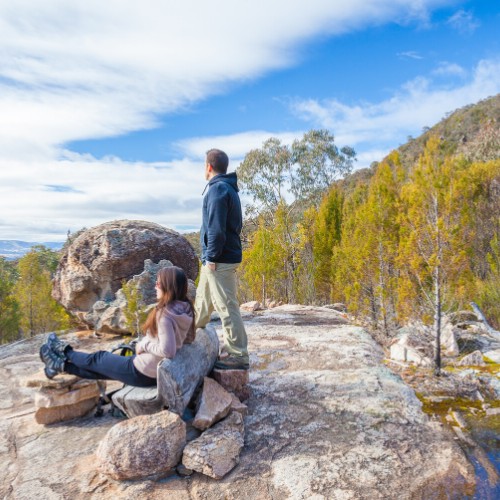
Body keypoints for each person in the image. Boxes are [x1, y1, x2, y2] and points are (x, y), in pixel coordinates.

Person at [39, 266, 195, 386]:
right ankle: (59, 365)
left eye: (158, 283)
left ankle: (62, 350)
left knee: (99, 358)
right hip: (152, 371)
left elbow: (168, 351)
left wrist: (143, 345)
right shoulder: (185, 308)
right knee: (101, 370)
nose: (155, 286)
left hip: (143, 372)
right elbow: (185, 339)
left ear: (168, 286)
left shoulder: (165, 314)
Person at [195, 148, 249, 370]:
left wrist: (211, 257)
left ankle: (238, 355)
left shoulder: (217, 190)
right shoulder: (227, 188)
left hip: (219, 260)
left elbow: (217, 230)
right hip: (217, 258)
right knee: (203, 302)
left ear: (208, 167)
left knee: (226, 307)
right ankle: (192, 335)